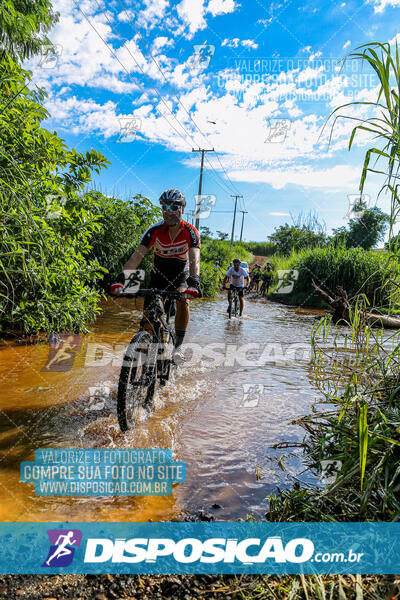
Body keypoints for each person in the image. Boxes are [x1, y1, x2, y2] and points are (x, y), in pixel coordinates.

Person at [110, 189, 201, 363]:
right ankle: (144, 358)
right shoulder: (154, 230)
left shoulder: (190, 232)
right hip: (158, 274)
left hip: (180, 274)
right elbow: (137, 256)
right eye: (165, 206)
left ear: (182, 209)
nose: (169, 211)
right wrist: (121, 279)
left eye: (174, 206)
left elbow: (195, 258)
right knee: (148, 318)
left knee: (183, 301)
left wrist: (194, 281)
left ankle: (178, 348)